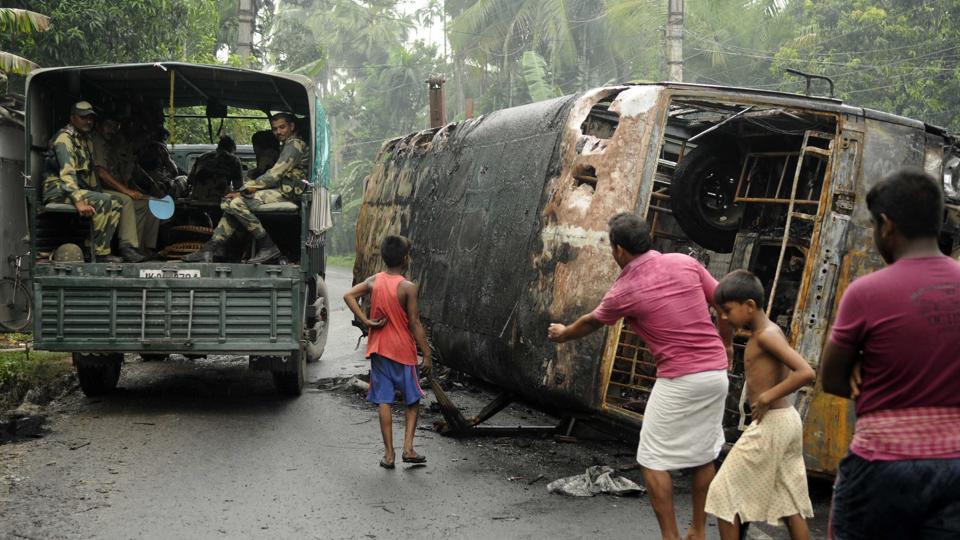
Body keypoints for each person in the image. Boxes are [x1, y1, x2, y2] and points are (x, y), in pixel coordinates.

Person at [548, 212, 733, 540]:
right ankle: (698, 530)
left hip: (679, 378)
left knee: (651, 458)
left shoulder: (625, 289)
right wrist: (727, 346)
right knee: (705, 455)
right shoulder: (683, 262)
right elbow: (725, 304)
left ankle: (671, 536)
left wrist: (563, 333)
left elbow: (591, 321)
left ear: (619, 250)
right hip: (715, 374)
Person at [819, 168, 960, 539]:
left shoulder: (867, 293)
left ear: (886, 225)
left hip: (881, 466)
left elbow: (833, 380)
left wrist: (863, 360)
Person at [705, 269, 815, 540]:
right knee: (789, 502)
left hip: (773, 423)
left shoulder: (766, 334)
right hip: (785, 421)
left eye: (728, 311)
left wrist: (766, 396)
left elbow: (805, 372)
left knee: (723, 492)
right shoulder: (767, 332)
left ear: (750, 305)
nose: (725, 318)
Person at [342, 235, 432, 469]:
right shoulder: (408, 287)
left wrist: (366, 321)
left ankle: (389, 455)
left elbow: (349, 295)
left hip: (379, 350)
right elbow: (414, 323)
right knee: (412, 400)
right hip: (403, 352)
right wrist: (427, 353)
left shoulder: (374, 281)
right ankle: (408, 449)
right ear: (405, 259)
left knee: (384, 400)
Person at [184, 113, 309, 264]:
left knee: (236, 202)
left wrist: (244, 189)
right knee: (232, 203)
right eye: (275, 129)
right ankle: (209, 249)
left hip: (288, 194)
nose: (278, 132)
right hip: (283, 190)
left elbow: (274, 175)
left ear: (292, 126)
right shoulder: (289, 144)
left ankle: (268, 246)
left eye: (282, 127)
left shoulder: (295, 144)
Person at [42, 101, 123, 263]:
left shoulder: (84, 140)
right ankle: (99, 253)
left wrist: (97, 191)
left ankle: (90, 246)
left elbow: (89, 173)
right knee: (104, 200)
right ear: (72, 118)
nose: (88, 121)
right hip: (58, 191)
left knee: (116, 202)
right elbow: (67, 173)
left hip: (73, 189)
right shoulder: (64, 139)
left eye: (91, 118)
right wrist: (79, 201)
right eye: (83, 117)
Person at [91, 115, 160, 260]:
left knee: (149, 204)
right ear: (98, 126)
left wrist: (135, 190)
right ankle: (127, 247)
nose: (112, 130)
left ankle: (142, 248)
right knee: (126, 200)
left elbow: (126, 174)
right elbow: (101, 172)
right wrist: (127, 191)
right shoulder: (97, 142)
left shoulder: (113, 146)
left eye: (115, 127)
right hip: (96, 190)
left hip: (112, 190)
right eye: (109, 126)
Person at [187, 135, 243, 202]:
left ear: (218, 147)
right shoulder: (234, 160)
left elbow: (190, 180)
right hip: (218, 201)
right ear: (232, 148)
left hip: (197, 200)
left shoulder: (202, 157)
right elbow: (238, 186)